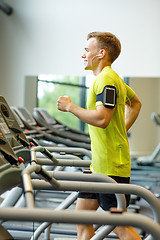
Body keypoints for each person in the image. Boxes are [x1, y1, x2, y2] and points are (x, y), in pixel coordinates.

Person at [57, 32, 142, 240]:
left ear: (100, 53)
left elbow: (102, 119)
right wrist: (121, 129)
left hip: (111, 168)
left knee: (119, 227)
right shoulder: (111, 78)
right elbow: (136, 103)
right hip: (98, 166)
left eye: (87, 50)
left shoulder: (106, 80)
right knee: (82, 218)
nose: (83, 55)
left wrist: (70, 107)